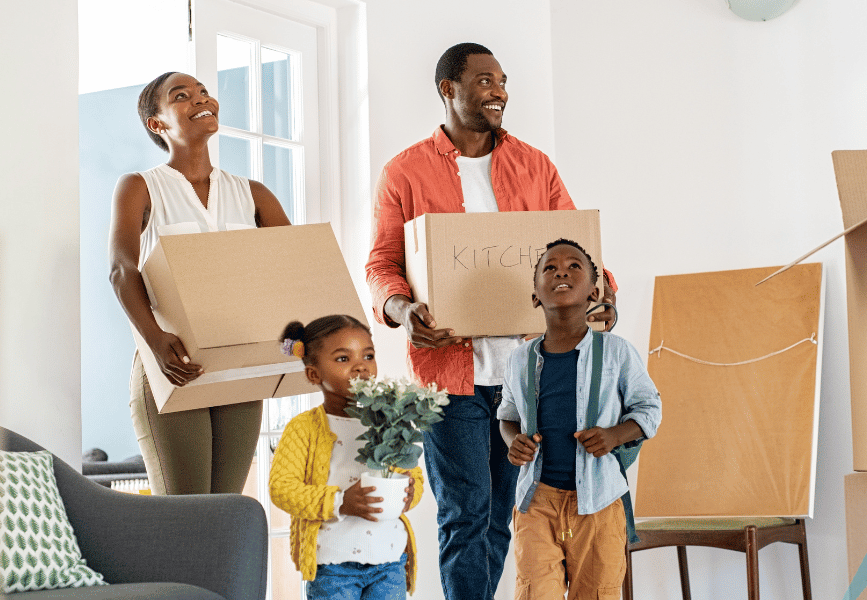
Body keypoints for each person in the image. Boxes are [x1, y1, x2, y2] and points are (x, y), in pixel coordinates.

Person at [365, 42, 618, 599]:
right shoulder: (404, 172)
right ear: (447, 89)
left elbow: (579, 252)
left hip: (528, 376)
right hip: (448, 376)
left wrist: (603, 292)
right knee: (464, 513)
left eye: (502, 80)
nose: (498, 90)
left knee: (503, 510)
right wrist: (403, 311)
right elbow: (382, 266)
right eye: (483, 80)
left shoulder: (535, 165)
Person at [109, 71, 293, 495]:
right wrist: (155, 339)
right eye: (182, 96)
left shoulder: (254, 194)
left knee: (225, 512)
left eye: (204, 92)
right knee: (185, 515)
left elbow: (292, 273)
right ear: (157, 123)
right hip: (172, 364)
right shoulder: (140, 187)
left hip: (239, 368)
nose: (201, 99)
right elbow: (122, 268)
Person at [497, 239, 661, 600]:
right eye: (549, 268)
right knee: (535, 593)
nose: (561, 272)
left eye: (574, 267)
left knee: (597, 594)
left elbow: (649, 408)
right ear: (536, 294)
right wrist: (513, 442)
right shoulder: (519, 358)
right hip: (536, 503)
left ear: (593, 290)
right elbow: (506, 416)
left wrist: (616, 435)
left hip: (600, 504)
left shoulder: (616, 352)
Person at [270, 315, 423, 600]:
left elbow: (414, 478)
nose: (361, 366)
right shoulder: (304, 429)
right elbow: (282, 490)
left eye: (368, 355)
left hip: (389, 562)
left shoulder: (389, 421)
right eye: (343, 358)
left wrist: (408, 492)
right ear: (314, 374)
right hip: (332, 566)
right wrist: (341, 502)